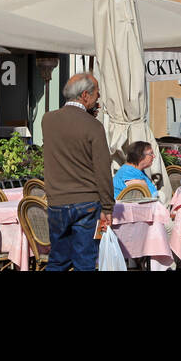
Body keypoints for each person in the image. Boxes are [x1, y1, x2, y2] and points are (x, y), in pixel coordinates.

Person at [40, 73, 114, 271]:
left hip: (57, 201)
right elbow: (102, 169)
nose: (98, 97)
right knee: (84, 262)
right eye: (97, 93)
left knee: (58, 260)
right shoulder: (93, 126)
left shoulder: (47, 120)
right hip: (86, 201)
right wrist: (107, 207)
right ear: (85, 95)